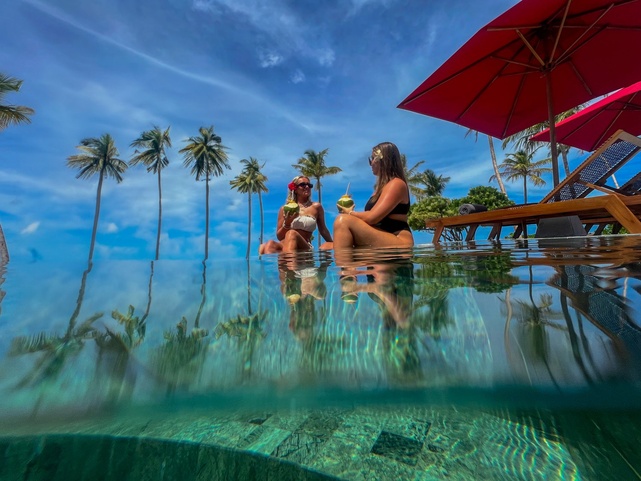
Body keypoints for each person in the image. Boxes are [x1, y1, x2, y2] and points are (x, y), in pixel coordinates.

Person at [332, 142, 414, 249]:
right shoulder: (379, 189)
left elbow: (372, 218)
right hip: (380, 236)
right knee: (325, 246)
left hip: (397, 239)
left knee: (342, 221)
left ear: (383, 160)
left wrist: (350, 213)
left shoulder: (396, 184)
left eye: (373, 158)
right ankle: (348, 265)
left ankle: (347, 266)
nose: (371, 164)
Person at [259, 176, 333, 254]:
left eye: (309, 185)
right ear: (295, 189)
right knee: (269, 244)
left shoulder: (316, 207)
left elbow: (323, 230)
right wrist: (287, 224)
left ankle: (289, 264)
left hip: (303, 246)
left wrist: (333, 244)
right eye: (303, 185)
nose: (307, 187)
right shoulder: (284, 209)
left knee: (292, 233)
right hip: (285, 245)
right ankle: (270, 265)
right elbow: (280, 237)